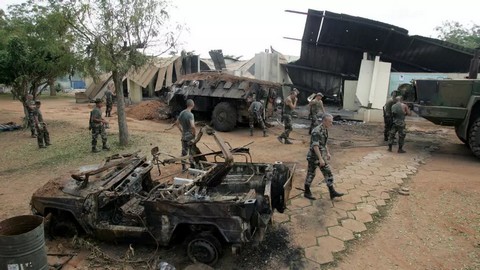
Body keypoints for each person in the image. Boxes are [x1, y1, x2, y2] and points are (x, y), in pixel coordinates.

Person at [303, 113, 344, 200]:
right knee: (311, 174)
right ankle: (306, 191)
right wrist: (320, 159)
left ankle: (332, 192)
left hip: (322, 156)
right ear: (324, 121)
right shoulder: (316, 131)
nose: (331, 124)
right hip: (314, 157)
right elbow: (315, 146)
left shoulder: (325, 129)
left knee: (328, 173)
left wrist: (327, 153)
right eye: (330, 122)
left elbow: (324, 143)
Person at [175, 99, 196, 171]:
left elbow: (177, 123)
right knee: (191, 151)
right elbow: (192, 126)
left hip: (184, 135)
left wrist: (181, 130)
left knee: (184, 152)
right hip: (189, 136)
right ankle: (192, 166)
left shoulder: (182, 113)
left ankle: (183, 168)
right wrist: (194, 133)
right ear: (192, 105)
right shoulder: (190, 115)